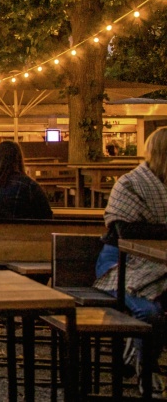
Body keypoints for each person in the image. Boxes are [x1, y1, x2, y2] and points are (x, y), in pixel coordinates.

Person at [94, 127, 167, 392]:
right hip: (121, 262)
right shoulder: (130, 183)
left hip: (160, 264)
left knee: (156, 313)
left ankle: (135, 352)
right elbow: (124, 230)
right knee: (149, 312)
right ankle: (145, 367)